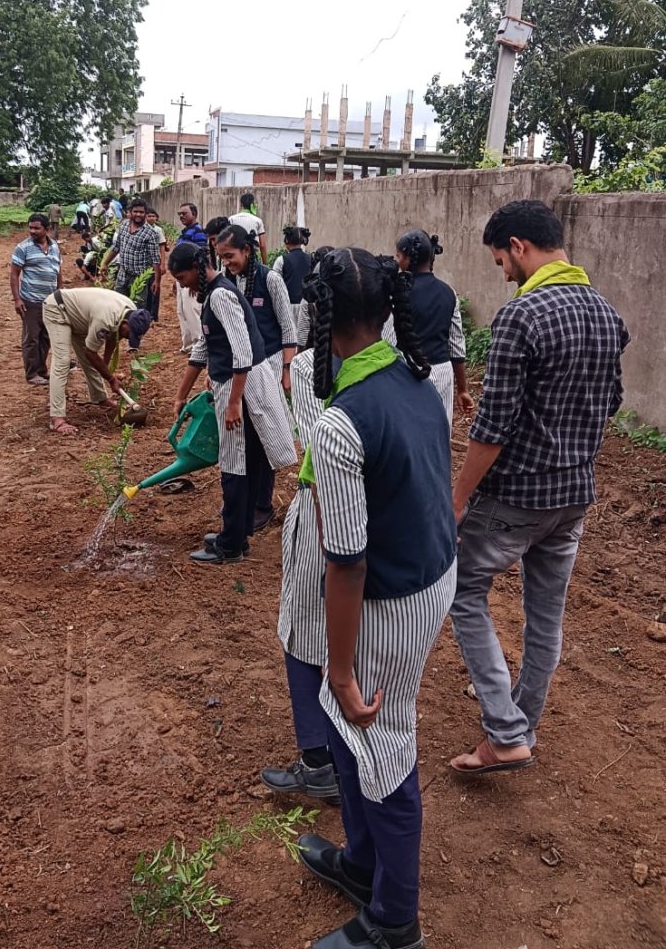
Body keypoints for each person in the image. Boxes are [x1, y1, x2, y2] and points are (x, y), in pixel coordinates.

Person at [294, 248, 457, 949]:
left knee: (382, 740)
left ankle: (396, 921)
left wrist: (337, 665)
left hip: (390, 596)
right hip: (430, 572)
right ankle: (361, 863)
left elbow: (348, 561)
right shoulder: (414, 376)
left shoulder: (338, 422)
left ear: (318, 314)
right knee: (350, 728)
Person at [449, 200, 629, 774]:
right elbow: (612, 402)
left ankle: (504, 733)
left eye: (501, 259)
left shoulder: (520, 318)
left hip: (516, 497)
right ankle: (518, 726)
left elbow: (493, 425)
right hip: (574, 495)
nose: (502, 272)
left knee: (462, 590)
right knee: (545, 618)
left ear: (519, 247)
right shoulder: (605, 312)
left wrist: (456, 500)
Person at [168, 242, 297, 564]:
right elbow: (203, 348)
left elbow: (242, 352)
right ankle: (237, 533)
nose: (183, 285)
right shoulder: (214, 295)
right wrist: (181, 393)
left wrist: (234, 403)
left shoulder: (221, 296)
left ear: (198, 267)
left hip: (241, 388)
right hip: (238, 386)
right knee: (246, 461)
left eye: (183, 278)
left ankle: (231, 545)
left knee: (234, 464)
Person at [260, 342, 339, 805]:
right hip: (391, 527)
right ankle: (350, 758)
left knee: (304, 635)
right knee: (361, 647)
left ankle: (317, 762)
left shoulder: (312, 368)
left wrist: (336, 549)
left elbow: (317, 463)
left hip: (326, 524)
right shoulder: (409, 365)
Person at [216, 223, 297, 530]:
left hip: (269, 366)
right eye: (222, 257)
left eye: (230, 255)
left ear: (247, 250)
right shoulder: (225, 283)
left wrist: (286, 370)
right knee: (243, 437)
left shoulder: (270, 279)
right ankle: (242, 501)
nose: (226, 262)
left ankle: (263, 503)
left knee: (266, 436)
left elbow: (287, 328)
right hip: (237, 370)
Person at [386, 229, 473, 425]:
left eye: (398, 256)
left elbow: (388, 337)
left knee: (406, 432)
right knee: (440, 432)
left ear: (408, 258)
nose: (397, 261)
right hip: (442, 373)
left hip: (405, 372)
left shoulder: (395, 292)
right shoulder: (448, 292)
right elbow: (456, 345)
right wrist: (462, 390)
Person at [42, 287, 152, 435]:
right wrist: (111, 378)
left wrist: (105, 366)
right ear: (126, 322)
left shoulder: (131, 311)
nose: (127, 338)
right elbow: (91, 352)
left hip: (79, 318)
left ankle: (100, 398)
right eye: (129, 334)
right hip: (58, 309)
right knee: (62, 362)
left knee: (96, 364)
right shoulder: (105, 319)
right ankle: (57, 419)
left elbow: (114, 336)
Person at [10, 213, 62, 385]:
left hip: (50, 301)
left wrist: (60, 295)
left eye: (36, 228)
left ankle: (41, 370)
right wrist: (17, 299)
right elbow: (14, 274)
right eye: (30, 227)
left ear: (47, 229)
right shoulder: (23, 248)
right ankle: (32, 374)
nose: (32, 231)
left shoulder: (54, 246)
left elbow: (58, 271)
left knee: (45, 337)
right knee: (31, 338)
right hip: (31, 301)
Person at [99, 197, 160, 306]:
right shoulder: (124, 225)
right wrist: (105, 263)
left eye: (141, 212)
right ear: (130, 212)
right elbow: (117, 247)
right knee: (119, 304)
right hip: (122, 274)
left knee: (136, 307)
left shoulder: (151, 234)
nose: (138, 214)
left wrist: (157, 281)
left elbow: (155, 259)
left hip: (139, 278)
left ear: (145, 214)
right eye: (135, 211)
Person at [173, 205, 209, 354]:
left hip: (191, 277)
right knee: (182, 310)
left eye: (184, 213)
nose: (181, 216)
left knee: (192, 310)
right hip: (181, 277)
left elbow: (201, 256)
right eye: (179, 213)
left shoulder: (198, 232)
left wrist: (197, 280)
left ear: (194, 214)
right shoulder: (184, 233)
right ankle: (187, 345)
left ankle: (198, 345)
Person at [273, 225, 311, 335]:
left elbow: (274, 285)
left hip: (288, 307)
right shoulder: (311, 259)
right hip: (307, 307)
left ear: (286, 241)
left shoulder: (281, 260)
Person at [227, 191, 268, 263]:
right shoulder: (258, 221)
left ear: (241, 205)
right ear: (252, 205)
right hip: (252, 257)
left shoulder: (231, 219)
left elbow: (227, 240)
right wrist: (265, 264)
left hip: (236, 256)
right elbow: (262, 245)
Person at [145, 208, 168, 323]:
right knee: (145, 288)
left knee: (156, 287)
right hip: (144, 263)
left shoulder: (158, 230)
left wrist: (163, 264)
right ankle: (146, 312)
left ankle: (154, 315)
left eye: (154, 216)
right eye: (149, 216)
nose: (152, 218)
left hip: (155, 263)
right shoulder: (142, 229)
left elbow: (162, 247)